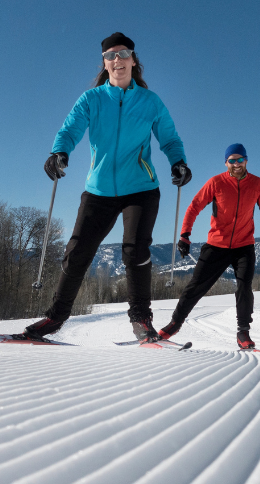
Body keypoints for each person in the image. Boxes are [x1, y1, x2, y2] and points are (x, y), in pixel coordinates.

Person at [20, 32, 191, 342]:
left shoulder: (150, 101)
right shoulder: (92, 99)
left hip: (140, 187)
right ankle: (55, 317)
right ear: (105, 63)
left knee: (135, 250)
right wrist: (59, 152)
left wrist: (178, 161)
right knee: (77, 252)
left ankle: (141, 319)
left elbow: (169, 138)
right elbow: (70, 129)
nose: (118, 59)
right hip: (99, 190)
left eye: (124, 53)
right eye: (111, 55)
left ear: (134, 60)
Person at [158, 143, 260, 349]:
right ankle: (175, 323)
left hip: (244, 245)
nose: (236, 164)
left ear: (246, 160)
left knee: (244, 286)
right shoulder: (216, 182)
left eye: (240, 160)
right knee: (196, 286)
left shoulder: (257, 184)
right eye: (232, 160)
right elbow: (194, 206)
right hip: (216, 245)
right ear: (226, 162)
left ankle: (243, 332)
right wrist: (185, 235)